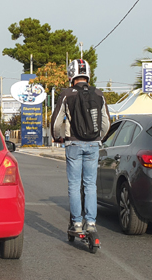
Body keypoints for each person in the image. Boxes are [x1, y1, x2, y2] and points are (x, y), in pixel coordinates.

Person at [51, 59, 110, 236]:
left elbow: (55, 122)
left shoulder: (67, 95)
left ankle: (76, 223)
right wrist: (100, 138)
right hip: (93, 144)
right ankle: (91, 222)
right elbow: (106, 122)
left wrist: (57, 137)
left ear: (71, 76)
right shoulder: (99, 94)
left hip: (73, 143)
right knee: (90, 184)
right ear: (88, 75)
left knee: (75, 185)